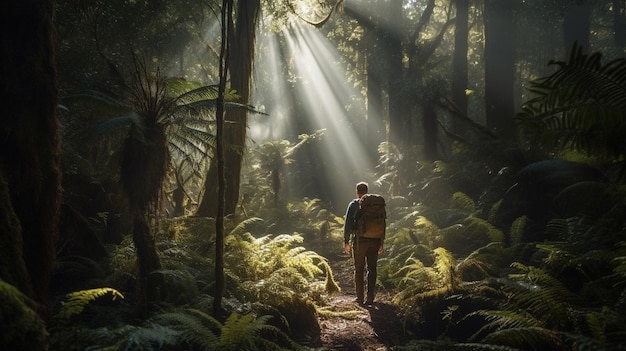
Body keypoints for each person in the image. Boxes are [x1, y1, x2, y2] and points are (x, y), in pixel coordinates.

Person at [343, 181, 384, 307]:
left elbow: (348, 223)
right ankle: (370, 297)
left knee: (359, 269)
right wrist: (381, 242)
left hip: (360, 241)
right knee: (372, 269)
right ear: (367, 191)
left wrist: (346, 241)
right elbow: (383, 223)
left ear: (357, 192)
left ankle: (360, 298)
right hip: (375, 241)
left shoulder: (354, 204)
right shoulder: (377, 205)